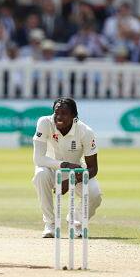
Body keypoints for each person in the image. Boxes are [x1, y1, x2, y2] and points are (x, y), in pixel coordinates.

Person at [32, 97, 102, 238]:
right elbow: (38, 159)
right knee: (40, 174)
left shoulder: (85, 131)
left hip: (75, 171)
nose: (59, 117)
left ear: (74, 116)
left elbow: (93, 169)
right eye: (56, 112)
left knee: (95, 194)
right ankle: (50, 224)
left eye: (64, 113)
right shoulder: (44, 122)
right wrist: (63, 165)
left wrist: (71, 180)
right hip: (50, 168)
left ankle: (77, 222)